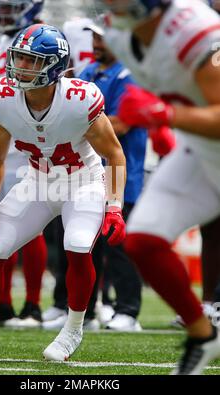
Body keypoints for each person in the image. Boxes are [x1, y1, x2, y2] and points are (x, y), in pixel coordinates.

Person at [0, 24, 126, 361]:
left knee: (77, 244)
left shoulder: (81, 99)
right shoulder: (2, 97)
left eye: (31, 60)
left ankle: (73, 329)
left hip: (83, 181)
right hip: (37, 180)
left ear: (54, 65)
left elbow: (115, 154)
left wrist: (114, 206)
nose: (20, 65)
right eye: (18, 57)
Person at [100, 0, 220, 375]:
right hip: (201, 152)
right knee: (143, 241)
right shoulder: (119, 33)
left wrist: (165, 115)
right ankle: (204, 336)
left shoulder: (197, 31)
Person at [43, 24, 147, 332]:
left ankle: (127, 310)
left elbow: (122, 122)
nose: (95, 43)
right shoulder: (87, 72)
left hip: (119, 174)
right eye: (94, 37)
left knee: (118, 245)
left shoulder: (130, 75)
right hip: (82, 175)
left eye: (102, 37)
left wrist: (76, 123)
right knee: (78, 243)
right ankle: (80, 310)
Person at [0, 0, 48, 328]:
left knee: (30, 226)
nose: (5, 11)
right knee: (2, 223)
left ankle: (33, 304)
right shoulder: (3, 41)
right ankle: (4, 303)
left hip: (27, 145)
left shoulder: (41, 36)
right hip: (1, 144)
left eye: (13, 5)